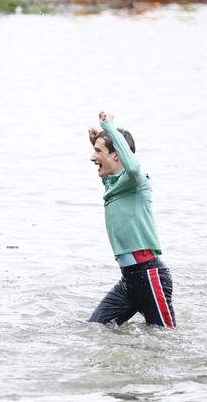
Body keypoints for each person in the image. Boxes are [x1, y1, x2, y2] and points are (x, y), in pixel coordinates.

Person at [87, 111, 175, 328]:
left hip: (149, 274)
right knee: (96, 328)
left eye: (97, 151)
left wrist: (110, 129)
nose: (91, 157)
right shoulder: (114, 184)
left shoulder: (136, 181)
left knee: (167, 342)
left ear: (116, 154)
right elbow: (111, 170)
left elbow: (132, 166)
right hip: (129, 280)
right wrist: (98, 144)